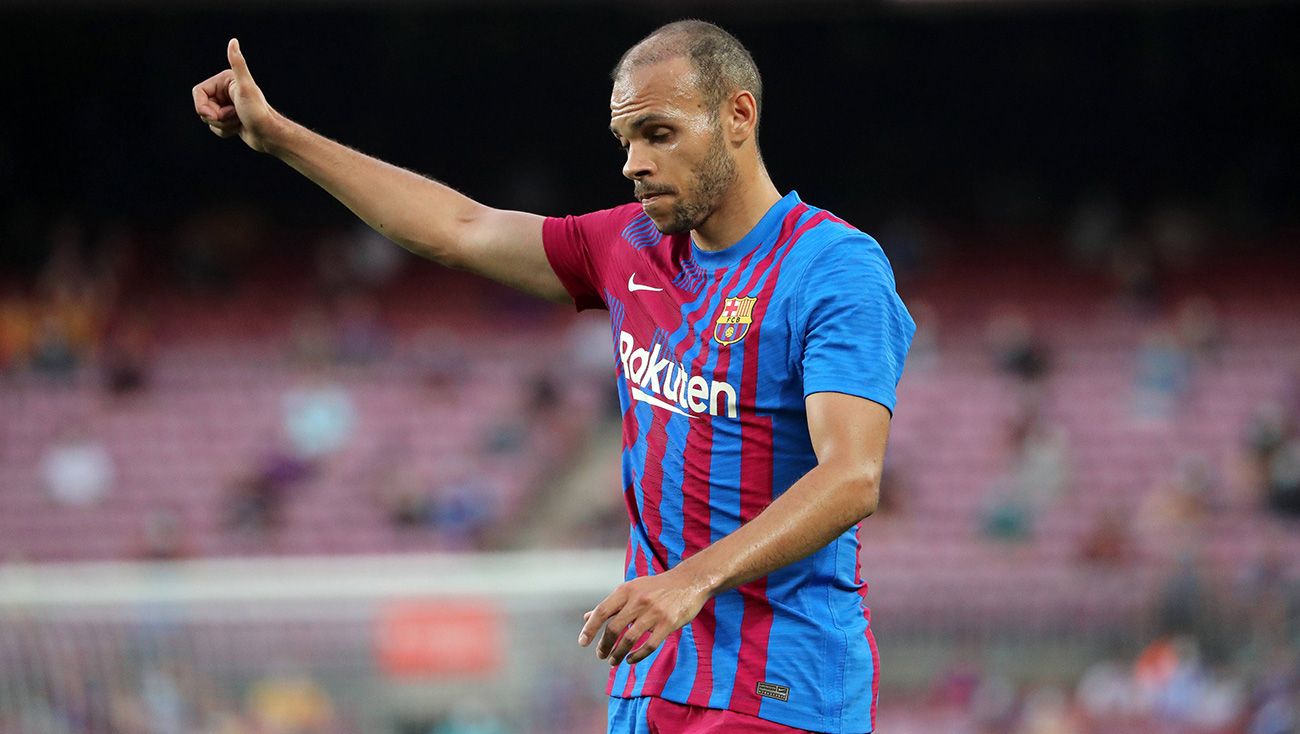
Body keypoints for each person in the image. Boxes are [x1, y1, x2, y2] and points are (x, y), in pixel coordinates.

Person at [193, 20, 914, 734]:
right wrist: (281, 137)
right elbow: (460, 229)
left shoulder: (833, 269)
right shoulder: (629, 245)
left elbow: (852, 475)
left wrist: (691, 580)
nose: (633, 162)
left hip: (780, 684)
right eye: (625, 141)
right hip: (652, 673)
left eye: (658, 134)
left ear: (737, 115)